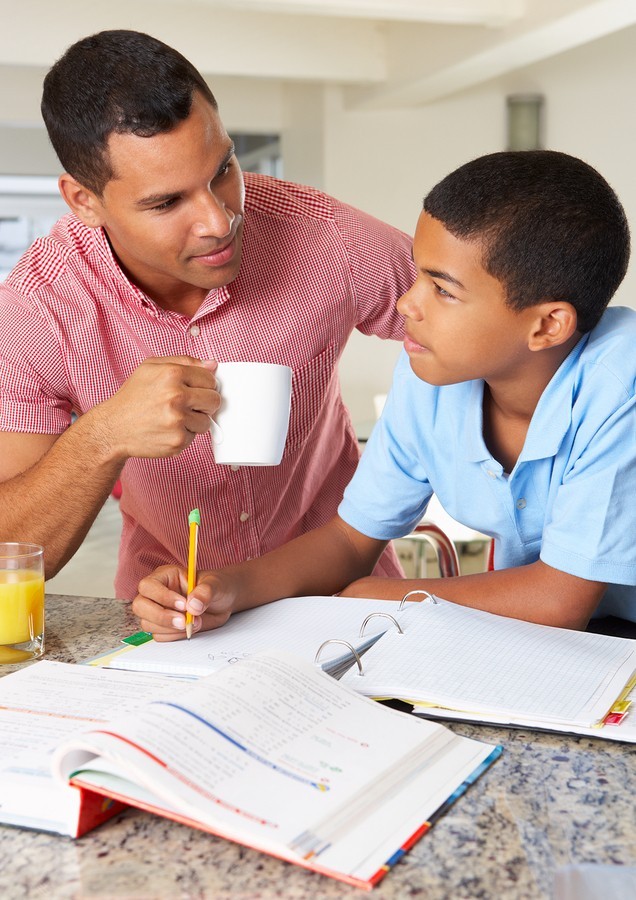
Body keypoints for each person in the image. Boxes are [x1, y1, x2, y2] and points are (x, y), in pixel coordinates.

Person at [133, 149, 636, 639]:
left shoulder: (621, 385)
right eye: (418, 274)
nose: (406, 302)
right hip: (565, 645)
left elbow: (559, 601)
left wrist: (376, 596)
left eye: (443, 290)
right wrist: (226, 588)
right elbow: (349, 539)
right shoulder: (430, 377)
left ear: (548, 325)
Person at [0, 30, 416, 599]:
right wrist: (104, 436)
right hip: (171, 607)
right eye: (166, 202)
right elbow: (9, 549)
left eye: (222, 170)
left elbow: (492, 325)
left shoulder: (325, 237)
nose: (219, 222)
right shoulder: (40, 306)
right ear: (83, 201)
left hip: (344, 598)